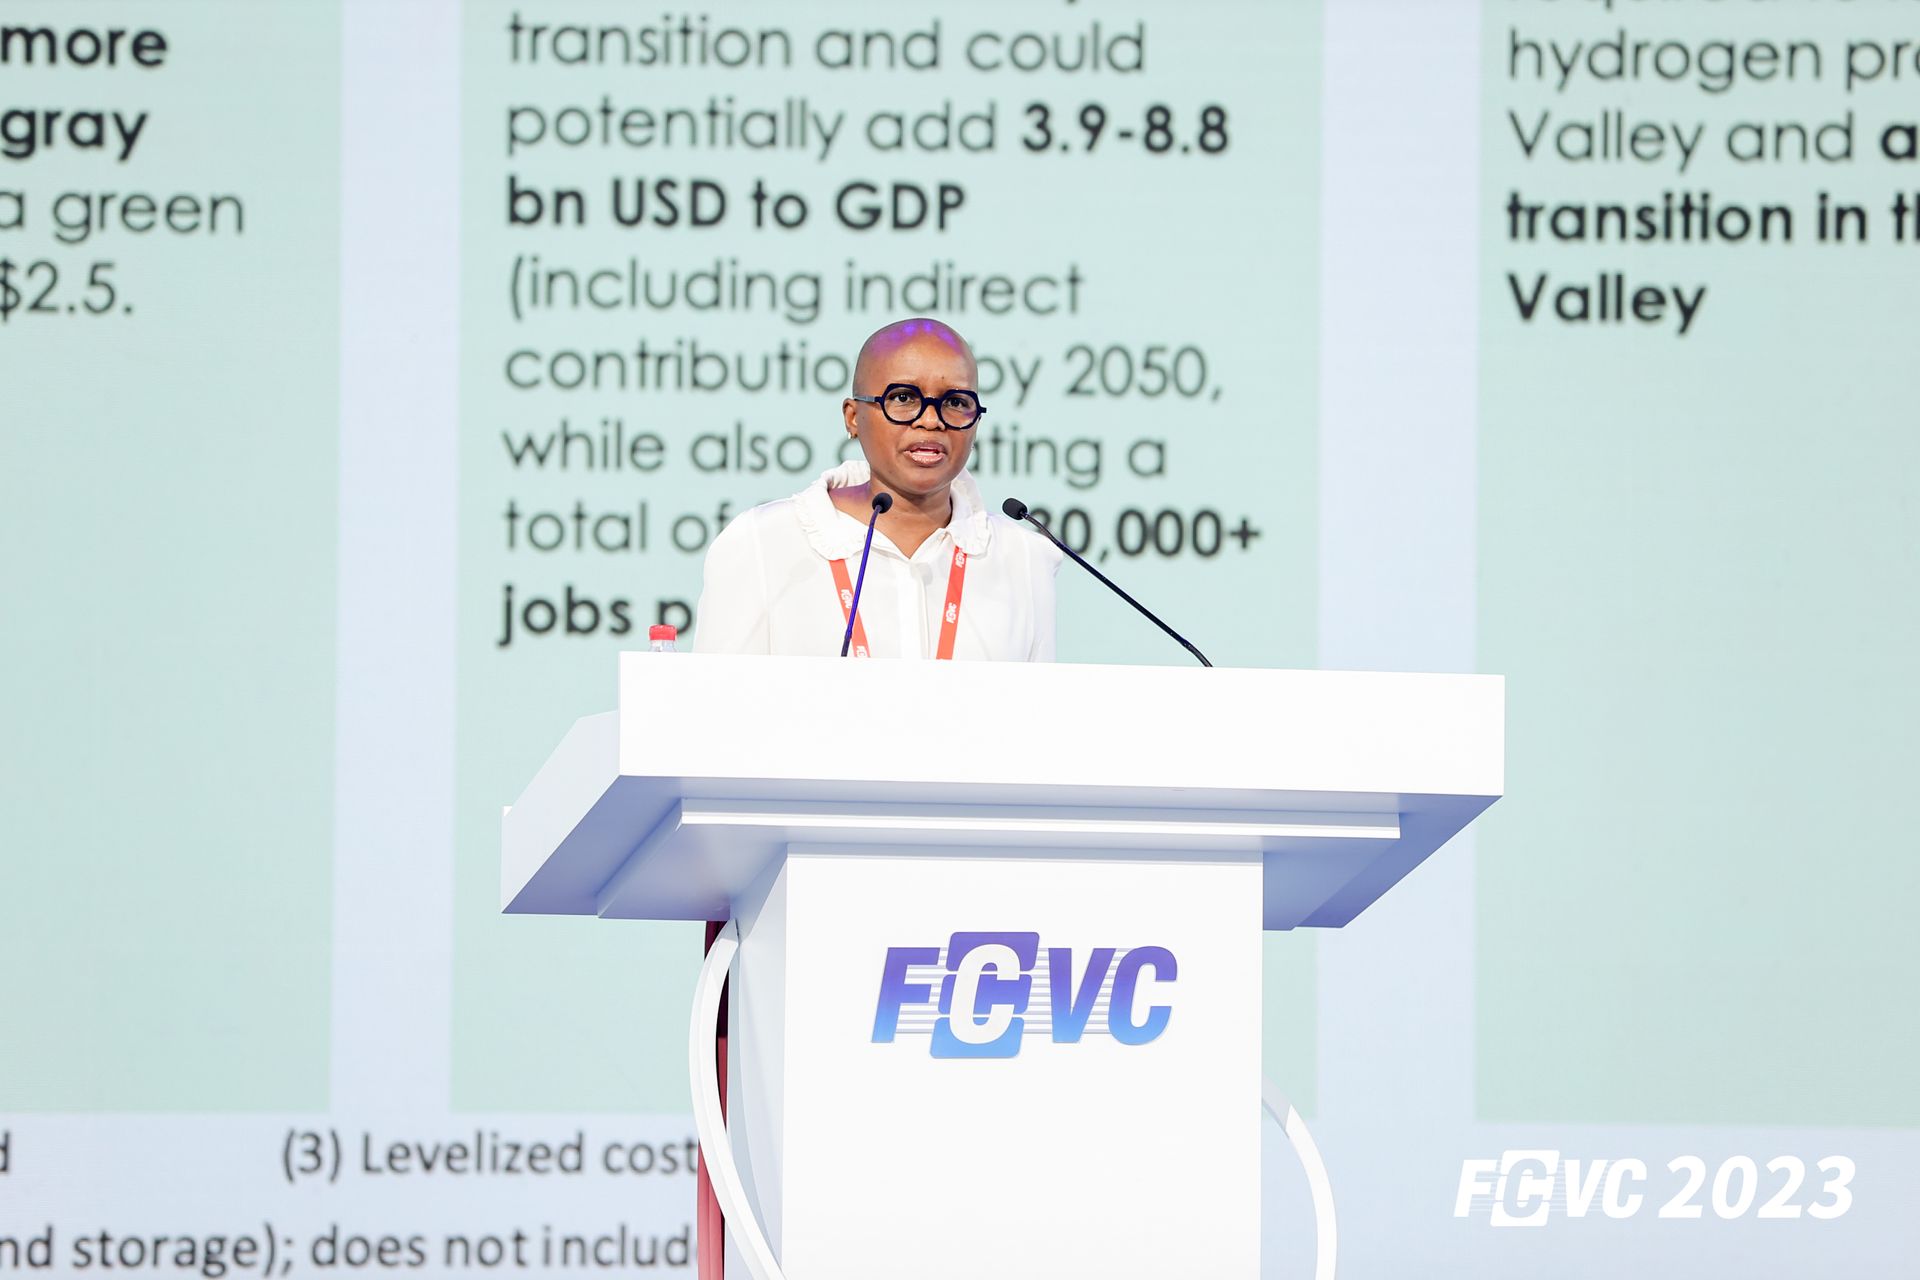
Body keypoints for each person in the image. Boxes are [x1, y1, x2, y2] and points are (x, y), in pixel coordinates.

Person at [693, 317, 1061, 659]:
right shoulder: (762, 542)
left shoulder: (1023, 557)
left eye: (955, 402)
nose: (931, 420)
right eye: (903, 398)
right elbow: (716, 700)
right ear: (853, 417)